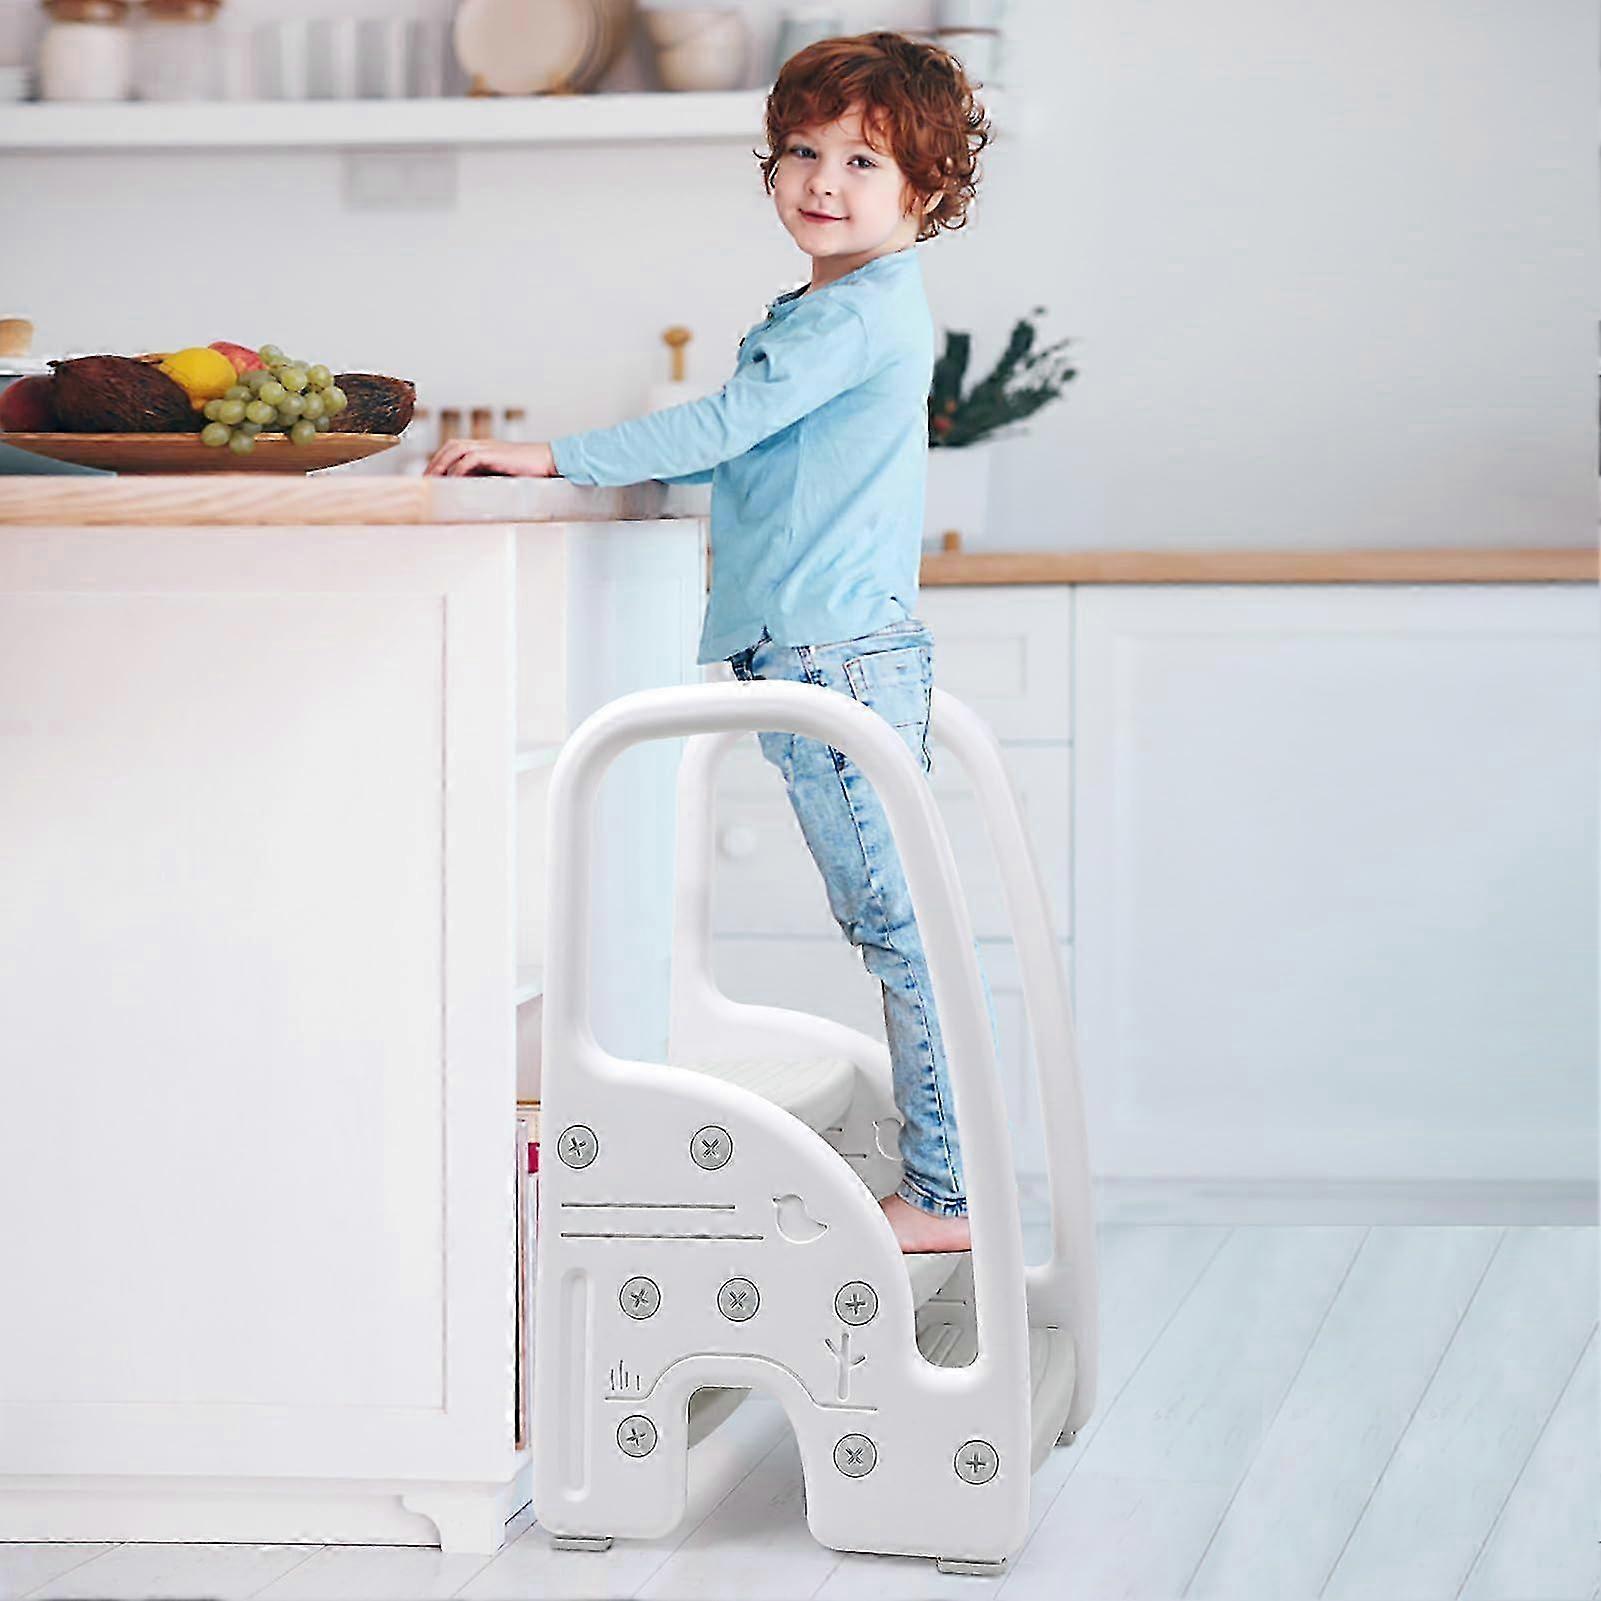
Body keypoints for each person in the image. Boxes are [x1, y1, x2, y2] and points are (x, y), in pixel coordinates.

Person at [425, 32, 997, 1253]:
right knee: (901, 922)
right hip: (840, 646)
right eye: (802, 151)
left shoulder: (851, 316)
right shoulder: (840, 305)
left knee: (898, 928)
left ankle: (947, 1195)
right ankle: (951, 1186)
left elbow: (724, 424)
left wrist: (550, 454)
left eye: (862, 160)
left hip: (832, 652)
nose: (822, 180)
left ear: (927, 187)